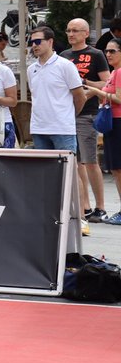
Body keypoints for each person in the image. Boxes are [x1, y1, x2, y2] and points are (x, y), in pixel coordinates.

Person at [61, 18, 109, 222]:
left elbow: (106, 82)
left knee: (90, 161)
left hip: (87, 113)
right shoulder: (63, 56)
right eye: (68, 30)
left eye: (76, 30)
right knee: (77, 162)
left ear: (86, 33)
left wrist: (84, 83)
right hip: (66, 114)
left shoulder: (96, 54)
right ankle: (85, 205)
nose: (71, 34)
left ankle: (100, 207)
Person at [27, 24, 86, 152]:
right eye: (32, 42)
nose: (34, 45)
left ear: (50, 42)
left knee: (66, 170)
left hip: (62, 129)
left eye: (38, 41)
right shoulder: (31, 69)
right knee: (43, 170)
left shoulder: (65, 66)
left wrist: (68, 115)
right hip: (39, 128)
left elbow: (80, 96)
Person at [82, 38, 121, 223]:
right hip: (112, 122)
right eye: (107, 51)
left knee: (118, 168)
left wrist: (97, 92)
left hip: (118, 121)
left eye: (113, 51)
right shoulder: (114, 72)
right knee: (115, 168)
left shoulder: (119, 72)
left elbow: (119, 98)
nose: (108, 54)